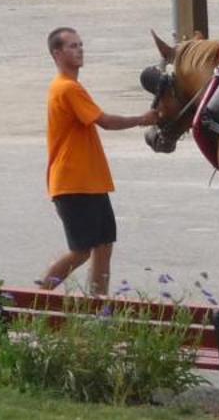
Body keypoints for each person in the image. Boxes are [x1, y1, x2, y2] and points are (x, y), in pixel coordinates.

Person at [38, 26, 159, 295]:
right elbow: (104, 121)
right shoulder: (66, 88)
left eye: (80, 44)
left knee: (103, 246)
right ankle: (38, 300)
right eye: (72, 46)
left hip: (91, 182)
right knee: (81, 251)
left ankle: (99, 309)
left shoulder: (73, 87)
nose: (79, 49)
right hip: (73, 182)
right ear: (56, 53)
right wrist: (143, 119)